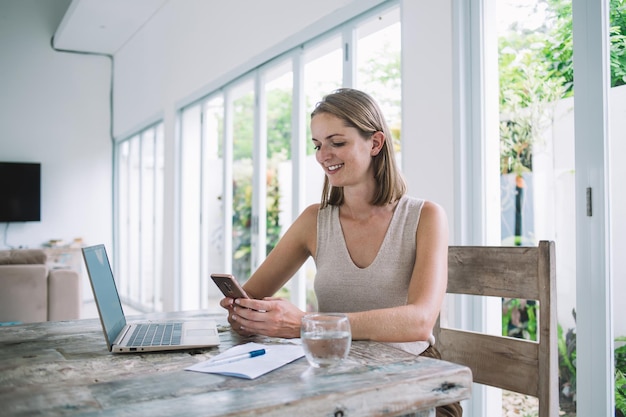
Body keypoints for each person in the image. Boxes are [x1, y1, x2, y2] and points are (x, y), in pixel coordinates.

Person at [219, 88, 461, 417]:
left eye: (337, 142)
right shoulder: (314, 221)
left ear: (375, 143)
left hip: (411, 383)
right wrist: (246, 312)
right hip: (336, 382)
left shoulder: (426, 217)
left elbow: (419, 322)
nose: (323, 155)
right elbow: (253, 294)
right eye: (318, 145)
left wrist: (306, 323)